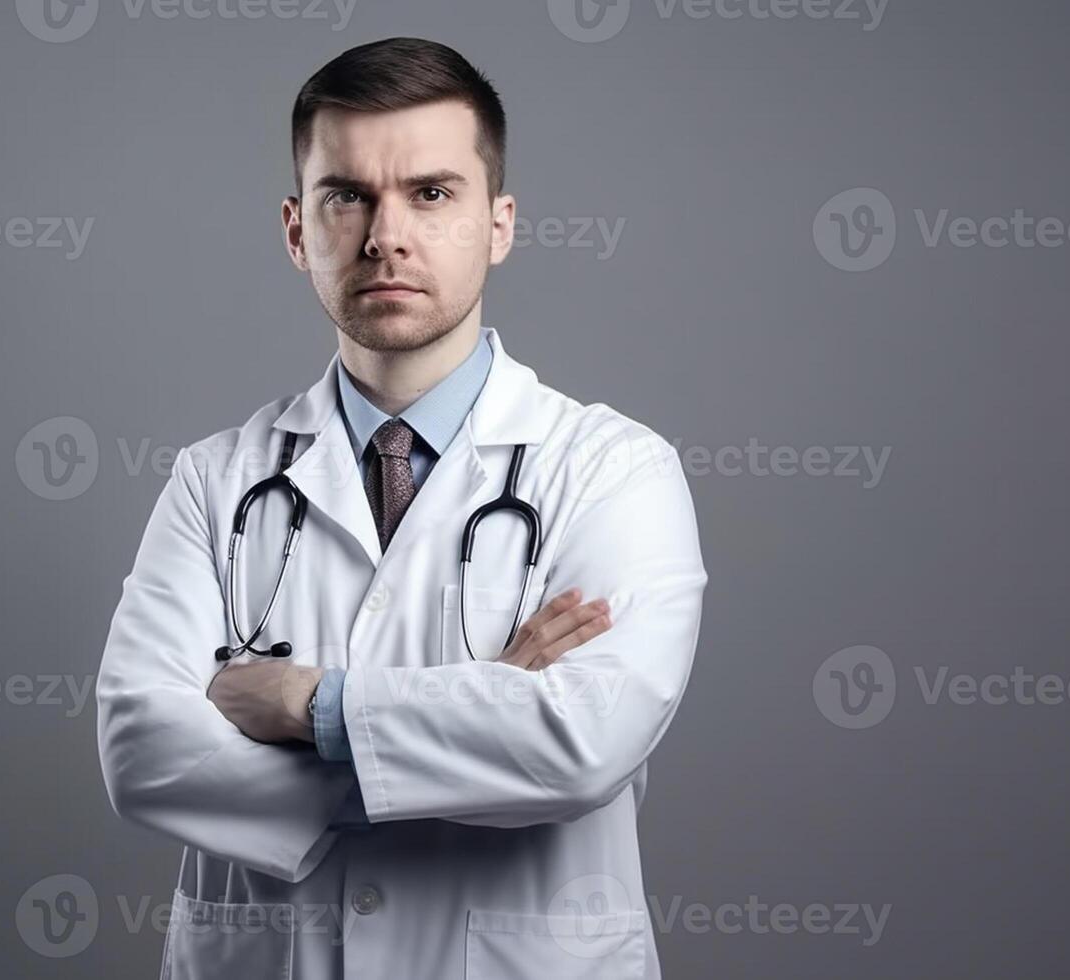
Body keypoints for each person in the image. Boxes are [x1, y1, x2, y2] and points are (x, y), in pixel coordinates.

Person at [96, 36, 707, 980]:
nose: (387, 234)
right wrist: (483, 710)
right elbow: (141, 750)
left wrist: (311, 706)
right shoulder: (215, 480)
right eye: (349, 196)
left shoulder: (613, 469)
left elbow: (583, 743)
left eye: (432, 193)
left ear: (498, 223)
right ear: (299, 230)